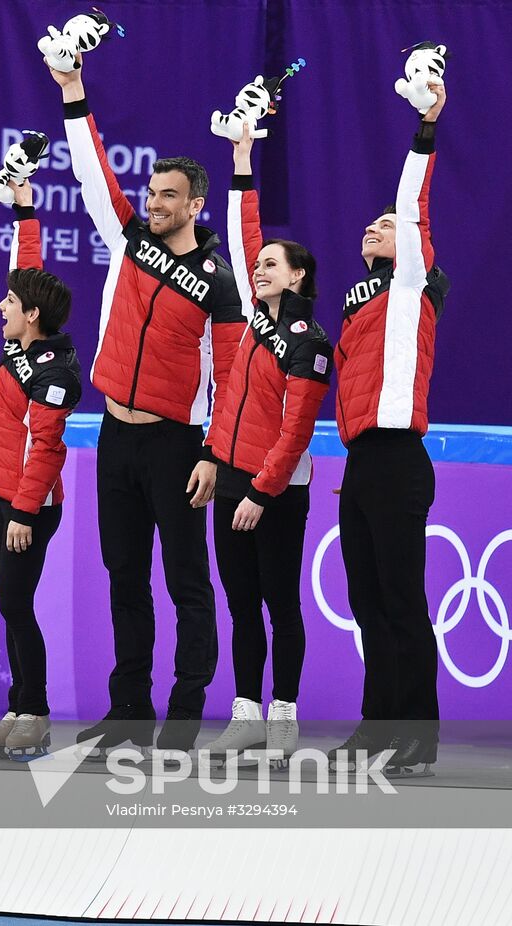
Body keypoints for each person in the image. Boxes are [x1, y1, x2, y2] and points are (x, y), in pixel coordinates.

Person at [50, 54, 244, 755]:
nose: (154, 203)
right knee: (124, 576)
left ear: (197, 204)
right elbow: (92, 172)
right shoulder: (130, 242)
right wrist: (74, 91)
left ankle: (184, 715)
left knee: (188, 582)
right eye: (152, 193)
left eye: (169, 196)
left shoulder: (218, 285)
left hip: (176, 446)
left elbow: (231, 375)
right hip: (115, 436)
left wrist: (215, 454)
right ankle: (128, 710)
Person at [201, 124, 332, 766]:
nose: (258, 268)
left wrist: (261, 489)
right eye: (258, 265)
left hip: (277, 491)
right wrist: (243, 157)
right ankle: (244, 713)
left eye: (271, 265)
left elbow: (297, 428)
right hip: (227, 478)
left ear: (298, 276)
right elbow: (246, 230)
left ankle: (283, 718)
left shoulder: (309, 342)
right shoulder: (255, 318)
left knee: (280, 602)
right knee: (240, 602)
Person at [331, 82, 449, 778]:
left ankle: (417, 734)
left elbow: (413, 205)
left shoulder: (411, 286)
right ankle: (377, 727)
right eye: (369, 224)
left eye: (387, 224)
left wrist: (425, 126)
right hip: (361, 462)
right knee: (367, 600)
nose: (373, 228)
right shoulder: (359, 305)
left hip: (401, 457)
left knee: (403, 599)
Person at [0, 178, 81, 760]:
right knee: (9, 604)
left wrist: (22, 510)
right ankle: (20, 707)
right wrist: (25, 209)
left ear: (32, 317)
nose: (0, 307)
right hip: (5, 498)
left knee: (17, 604)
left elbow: (46, 447)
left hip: (29, 506)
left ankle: (33, 713)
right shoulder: (23, 348)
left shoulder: (55, 369)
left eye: (11, 305)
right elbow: (28, 268)